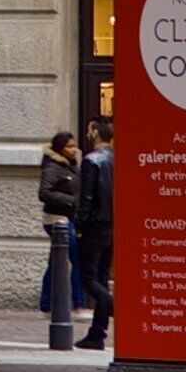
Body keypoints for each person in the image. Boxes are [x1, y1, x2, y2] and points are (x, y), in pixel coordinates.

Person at [75, 118, 117, 353]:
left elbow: (87, 196)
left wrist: (79, 224)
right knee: (100, 278)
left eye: (90, 129)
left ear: (96, 133)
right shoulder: (115, 159)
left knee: (88, 278)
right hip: (111, 225)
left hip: (94, 225)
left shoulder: (92, 161)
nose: (88, 132)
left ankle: (111, 305)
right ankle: (97, 333)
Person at [37, 129, 80, 334]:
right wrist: (71, 201)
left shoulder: (70, 165)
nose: (74, 150)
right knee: (74, 257)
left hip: (67, 217)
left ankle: (46, 304)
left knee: (56, 261)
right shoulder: (54, 166)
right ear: (60, 148)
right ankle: (77, 303)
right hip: (57, 219)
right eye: (70, 146)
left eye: (74, 146)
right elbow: (44, 193)